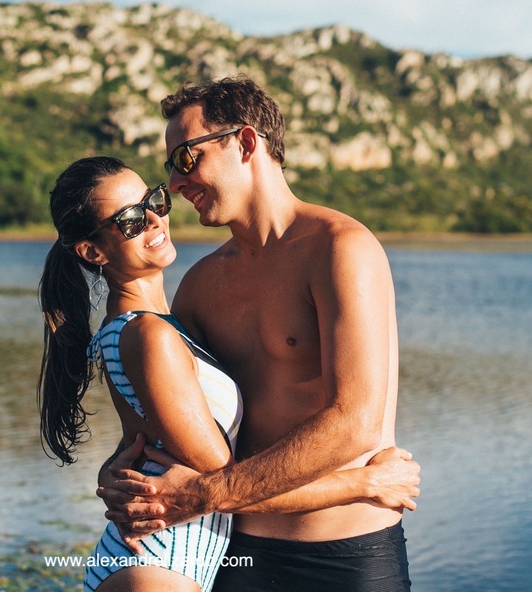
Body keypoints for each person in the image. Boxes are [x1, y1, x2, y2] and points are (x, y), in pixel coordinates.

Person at [39, 156, 420, 592]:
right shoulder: (148, 334)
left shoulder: (162, 326)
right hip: (158, 566)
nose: (153, 220)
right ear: (92, 252)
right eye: (128, 220)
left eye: (153, 201)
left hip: (181, 564)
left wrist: (114, 471)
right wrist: (363, 483)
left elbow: (155, 445)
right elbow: (226, 483)